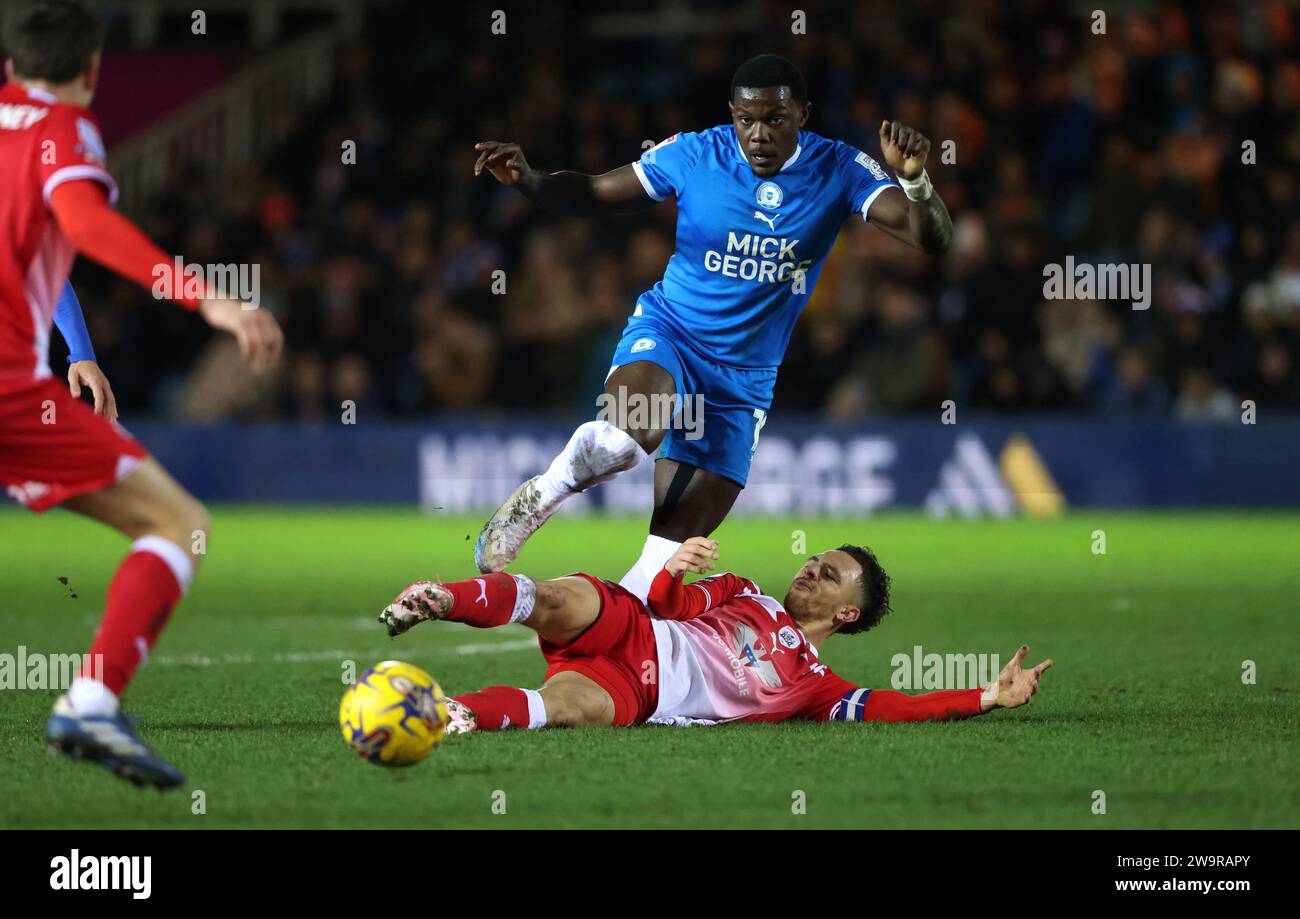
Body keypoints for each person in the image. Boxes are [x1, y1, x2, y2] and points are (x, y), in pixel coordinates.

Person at [471, 53, 953, 598]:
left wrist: (913, 181)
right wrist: (528, 178)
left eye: (775, 119)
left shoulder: (839, 168)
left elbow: (931, 238)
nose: (759, 134)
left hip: (743, 379)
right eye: (746, 120)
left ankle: (614, 651)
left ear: (803, 114)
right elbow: (595, 193)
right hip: (671, 333)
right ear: (731, 115)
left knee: (669, 558)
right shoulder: (697, 152)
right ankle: (546, 491)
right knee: (628, 439)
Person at [0, 0, 283, 788]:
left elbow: (35, 240)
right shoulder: (66, 130)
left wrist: (79, 351)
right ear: (91, 72)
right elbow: (82, 225)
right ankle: (91, 700)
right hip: (8, 391)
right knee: (178, 522)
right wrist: (211, 300)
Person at [377, 537, 1050, 730]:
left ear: (848, 613)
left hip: (637, 689)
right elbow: (670, 604)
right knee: (559, 596)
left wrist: (982, 697)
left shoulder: (816, 688)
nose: (812, 568)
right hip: (636, 626)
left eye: (831, 574)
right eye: (817, 561)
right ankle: (440, 597)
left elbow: (892, 705)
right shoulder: (745, 591)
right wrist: (671, 570)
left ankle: (446, 713)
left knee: (563, 709)